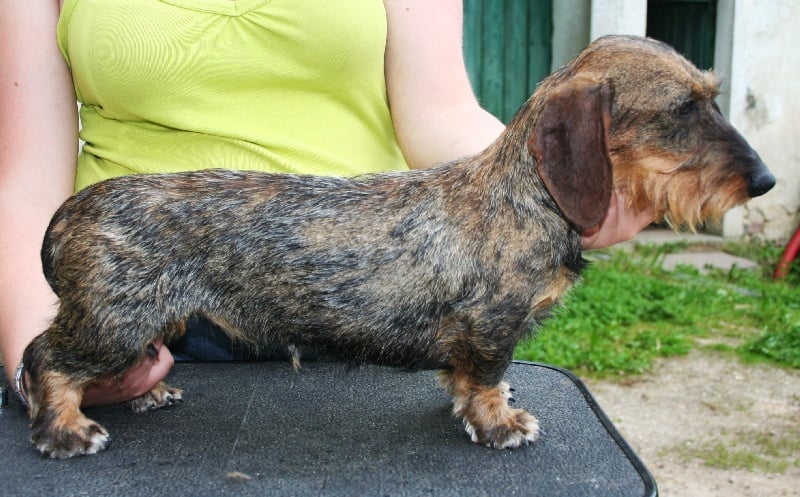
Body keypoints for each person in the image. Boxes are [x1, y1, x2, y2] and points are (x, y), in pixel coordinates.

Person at [0, 0, 654, 409]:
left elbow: (441, 114)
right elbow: (28, 173)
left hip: (363, 295)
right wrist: (45, 348)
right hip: (143, 300)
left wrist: (558, 189)